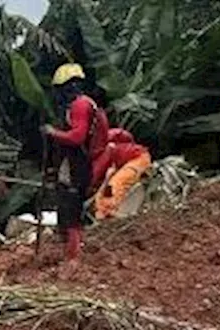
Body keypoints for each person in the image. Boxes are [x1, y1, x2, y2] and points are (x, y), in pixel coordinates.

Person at [40, 63, 109, 262]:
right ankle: (71, 252)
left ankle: (73, 256)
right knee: (71, 207)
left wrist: (53, 133)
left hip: (78, 164)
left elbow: (77, 137)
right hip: (80, 163)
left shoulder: (79, 106)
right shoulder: (87, 104)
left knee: (70, 207)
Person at [95, 128, 152, 220]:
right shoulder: (106, 142)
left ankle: (114, 214)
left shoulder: (104, 148)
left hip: (138, 159)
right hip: (134, 159)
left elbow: (98, 172)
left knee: (116, 183)